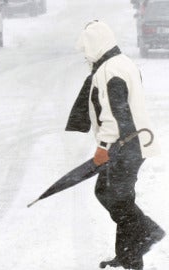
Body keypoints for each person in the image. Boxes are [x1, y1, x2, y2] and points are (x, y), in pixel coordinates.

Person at [66, 20, 165, 270]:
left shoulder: (108, 71)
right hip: (134, 143)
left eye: (87, 47)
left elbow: (114, 113)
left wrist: (103, 147)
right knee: (119, 197)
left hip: (125, 146)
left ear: (97, 44)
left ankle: (147, 232)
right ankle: (129, 253)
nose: (86, 53)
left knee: (111, 195)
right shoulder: (123, 62)